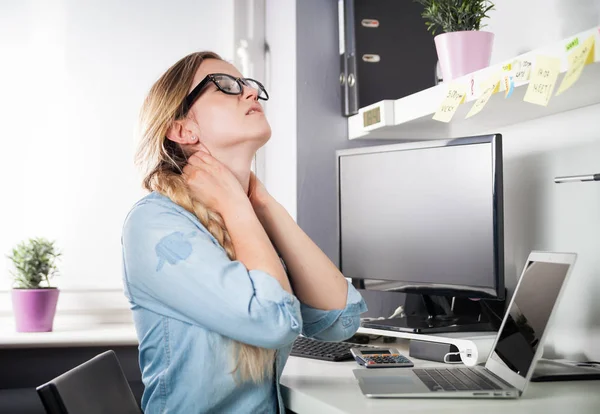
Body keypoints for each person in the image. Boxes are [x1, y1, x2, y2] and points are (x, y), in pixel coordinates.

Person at [121, 51, 367, 414]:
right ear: (182, 129)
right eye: (225, 86)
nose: (250, 93)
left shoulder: (250, 218)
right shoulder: (155, 225)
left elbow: (340, 320)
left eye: (249, 85)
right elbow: (275, 322)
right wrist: (237, 205)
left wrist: (264, 205)